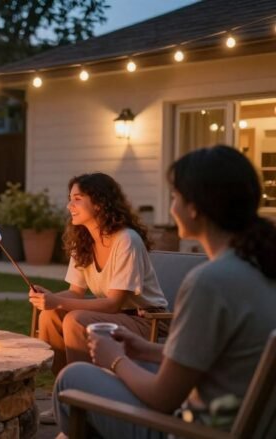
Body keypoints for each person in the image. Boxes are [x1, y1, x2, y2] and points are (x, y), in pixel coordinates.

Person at [53, 145, 276, 438]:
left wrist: (114, 359)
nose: (171, 208)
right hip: (231, 415)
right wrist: (147, 349)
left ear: (194, 207)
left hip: (191, 429)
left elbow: (163, 397)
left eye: (175, 197)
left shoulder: (209, 282)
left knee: (72, 379)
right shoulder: (259, 267)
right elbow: (221, 360)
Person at [32, 173, 168, 375]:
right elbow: (75, 292)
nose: (70, 206)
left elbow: (113, 303)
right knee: (49, 315)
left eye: (77, 199)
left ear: (99, 203)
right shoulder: (83, 241)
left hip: (146, 320)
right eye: (70, 199)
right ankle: (63, 382)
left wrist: (57, 302)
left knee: (75, 320)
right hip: (112, 316)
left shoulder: (126, 240)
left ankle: (86, 389)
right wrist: (47, 299)